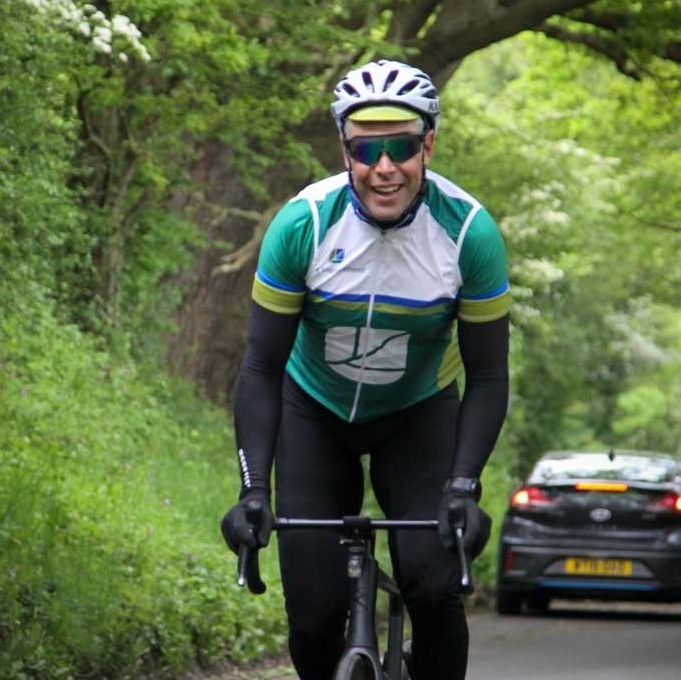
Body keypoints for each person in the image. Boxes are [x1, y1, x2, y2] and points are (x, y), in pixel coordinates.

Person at [221, 59, 510, 680]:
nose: (385, 168)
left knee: (435, 589)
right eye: (366, 149)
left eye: (402, 147)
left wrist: (463, 486)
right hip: (313, 413)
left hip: (417, 417)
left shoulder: (468, 234)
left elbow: (487, 377)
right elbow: (263, 367)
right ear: (344, 149)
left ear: (427, 143)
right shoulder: (303, 225)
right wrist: (252, 491)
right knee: (312, 614)